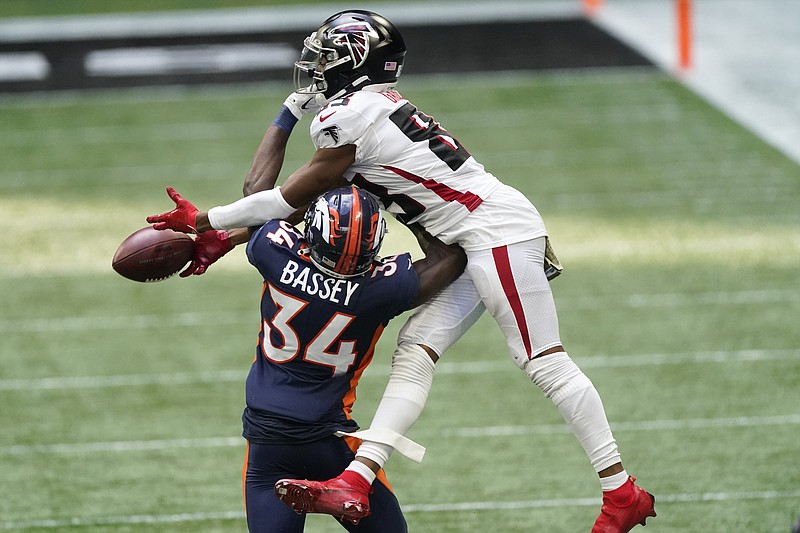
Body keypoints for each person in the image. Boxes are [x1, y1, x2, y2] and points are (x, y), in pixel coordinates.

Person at [147, 10, 656, 532]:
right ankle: (356, 479)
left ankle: (620, 492)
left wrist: (205, 219)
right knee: (415, 349)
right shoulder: (368, 114)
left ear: (356, 62)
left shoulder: (349, 119)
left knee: (541, 359)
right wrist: (226, 240)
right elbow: (307, 206)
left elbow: (281, 198)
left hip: (494, 231)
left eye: (329, 57)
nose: (318, 67)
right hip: (467, 239)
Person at [167, 186, 466, 532]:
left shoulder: (273, 251)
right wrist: (391, 193)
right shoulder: (381, 290)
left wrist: (286, 131)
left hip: (268, 446)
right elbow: (450, 257)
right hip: (329, 443)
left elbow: (259, 199)